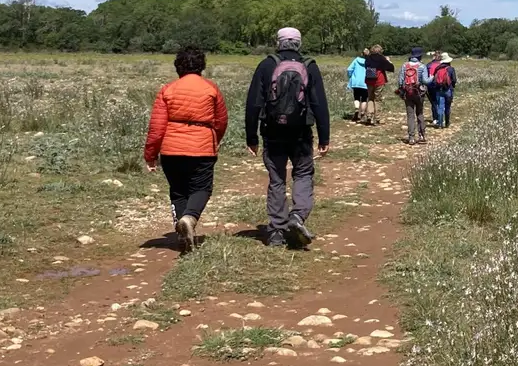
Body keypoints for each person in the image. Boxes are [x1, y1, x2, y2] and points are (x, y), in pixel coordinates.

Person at [244, 27, 330, 248]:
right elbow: (319, 104)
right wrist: (324, 136)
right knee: (303, 174)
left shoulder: (266, 65)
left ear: (278, 42)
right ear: (299, 43)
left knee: (277, 180)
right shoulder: (309, 66)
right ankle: (298, 216)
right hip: (301, 132)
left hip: (272, 132)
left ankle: (275, 233)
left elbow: (253, 103)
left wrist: (251, 137)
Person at [143, 45, 228, 251]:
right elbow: (221, 120)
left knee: (178, 191)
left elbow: (156, 127)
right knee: (202, 188)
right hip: (202, 148)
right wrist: (214, 139)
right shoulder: (210, 88)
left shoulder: (168, 89)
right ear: (201, 66)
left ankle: (182, 232)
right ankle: (190, 219)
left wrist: (150, 154)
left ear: (178, 66)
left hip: (171, 149)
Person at [398, 47, 429, 144]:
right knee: (420, 113)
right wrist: (432, 77)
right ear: (419, 56)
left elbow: (400, 80)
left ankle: (411, 137)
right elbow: (425, 81)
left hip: (408, 92)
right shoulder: (422, 66)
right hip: (419, 92)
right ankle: (422, 135)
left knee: (410, 115)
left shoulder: (404, 65)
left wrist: (402, 91)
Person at [363, 44, 395, 125]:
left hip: (369, 80)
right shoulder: (381, 58)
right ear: (380, 51)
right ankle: (377, 118)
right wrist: (389, 61)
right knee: (377, 99)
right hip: (379, 80)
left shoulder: (369, 58)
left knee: (370, 98)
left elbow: (366, 66)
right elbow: (390, 68)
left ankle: (369, 116)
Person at [429, 52, 457, 127]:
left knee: (440, 106)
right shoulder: (451, 69)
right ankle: (447, 123)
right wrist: (452, 86)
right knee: (447, 107)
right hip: (448, 89)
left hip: (438, 89)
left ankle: (440, 123)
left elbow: (434, 79)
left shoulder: (438, 68)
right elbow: (454, 80)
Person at [346, 49, 369, 123]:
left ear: (361, 53)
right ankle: (362, 113)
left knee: (356, 97)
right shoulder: (369, 61)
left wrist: (350, 76)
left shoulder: (356, 60)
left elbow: (349, 69)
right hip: (365, 82)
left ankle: (356, 110)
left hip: (355, 82)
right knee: (364, 99)